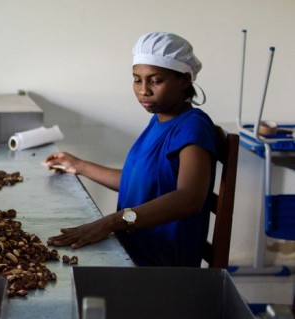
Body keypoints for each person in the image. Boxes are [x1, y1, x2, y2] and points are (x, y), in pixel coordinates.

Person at [44, 32, 217, 267]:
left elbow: (189, 199)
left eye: (155, 81)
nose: (144, 90)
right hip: (132, 250)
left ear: (185, 80)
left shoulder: (193, 127)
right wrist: (78, 165)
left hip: (161, 266)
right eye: (137, 80)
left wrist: (114, 221)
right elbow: (137, 182)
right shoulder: (159, 120)